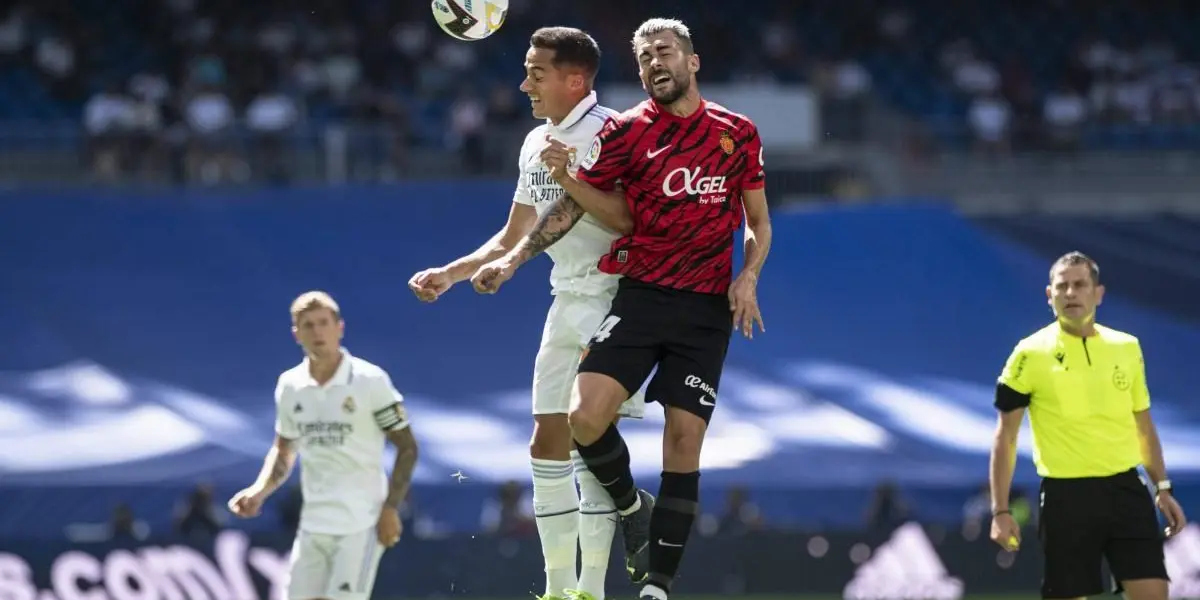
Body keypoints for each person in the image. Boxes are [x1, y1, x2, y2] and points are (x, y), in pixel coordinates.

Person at [472, 17, 772, 600]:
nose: (655, 63)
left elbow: (756, 220)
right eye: (644, 58)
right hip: (640, 297)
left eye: (665, 52)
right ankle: (633, 506)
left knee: (683, 443)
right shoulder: (628, 132)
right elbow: (573, 208)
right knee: (582, 418)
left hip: (705, 309)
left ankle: (656, 588)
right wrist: (512, 262)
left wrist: (750, 275)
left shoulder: (737, 133)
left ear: (692, 61)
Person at [407, 27, 643, 600]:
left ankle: (591, 590)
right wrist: (451, 273)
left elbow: (626, 217)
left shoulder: (613, 132)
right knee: (545, 441)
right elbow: (514, 232)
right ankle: (557, 589)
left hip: (615, 296)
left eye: (536, 74)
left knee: (589, 436)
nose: (524, 84)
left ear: (575, 80)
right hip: (566, 296)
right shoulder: (535, 141)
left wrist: (517, 255)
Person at [990, 252, 1187, 600]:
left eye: (1080, 285)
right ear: (1049, 295)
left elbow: (1143, 425)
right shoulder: (1028, 354)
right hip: (1066, 498)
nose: (1070, 293)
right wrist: (1000, 510)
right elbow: (1005, 436)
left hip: (1127, 491)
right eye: (1062, 286)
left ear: (1098, 294)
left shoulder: (1127, 347)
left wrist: (1162, 487)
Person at [227, 291, 419, 600]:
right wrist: (259, 491)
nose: (317, 332)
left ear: (339, 328)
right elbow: (284, 449)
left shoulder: (370, 380)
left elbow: (407, 447)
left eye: (323, 323)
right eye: (308, 325)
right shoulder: (290, 385)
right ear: (296, 334)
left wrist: (391, 508)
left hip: (362, 523)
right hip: (314, 523)